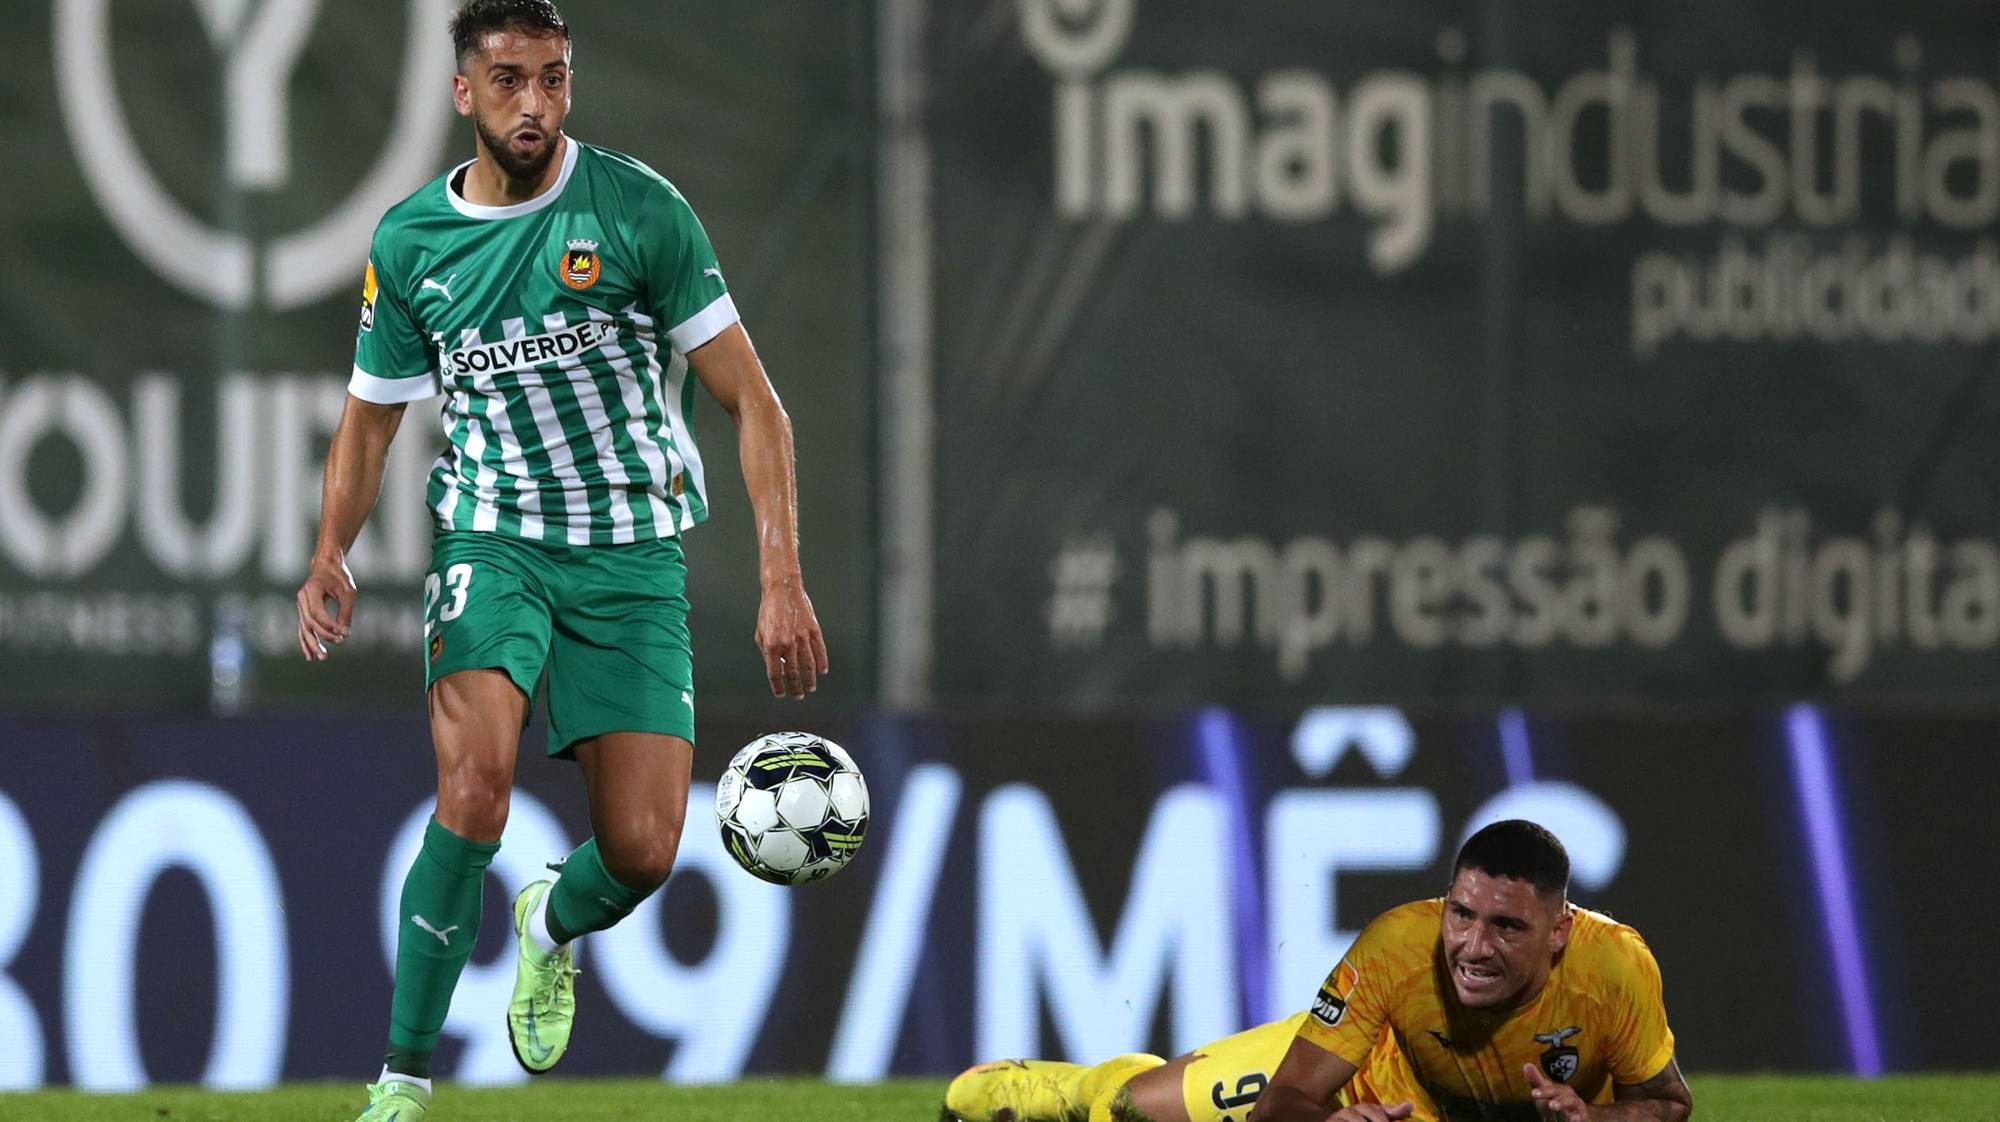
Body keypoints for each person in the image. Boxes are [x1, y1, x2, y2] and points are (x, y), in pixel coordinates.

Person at [294, 2, 828, 1119]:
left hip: (630, 554)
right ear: (462, 95)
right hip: (491, 537)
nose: (532, 102)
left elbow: (756, 406)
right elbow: (370, 420)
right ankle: (401, 1079)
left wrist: (781, 578)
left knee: (639, 849)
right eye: (507, 81)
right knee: (474, 789)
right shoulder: (411, 244)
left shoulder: (639, 211)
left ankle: (551, 920)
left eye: (552, 79)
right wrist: (328, 550)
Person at [946, 820, 1692, 1122]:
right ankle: (1050, 1086)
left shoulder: (1615, 968)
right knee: (1135, 1111)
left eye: (1507, 927)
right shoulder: (1396, 949)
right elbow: (1291, 1098)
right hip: (1375, 1084)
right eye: (1461, 915)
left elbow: (1666, 1103)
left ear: (1559, 931)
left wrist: (1596, 1119)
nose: (1473, 946)